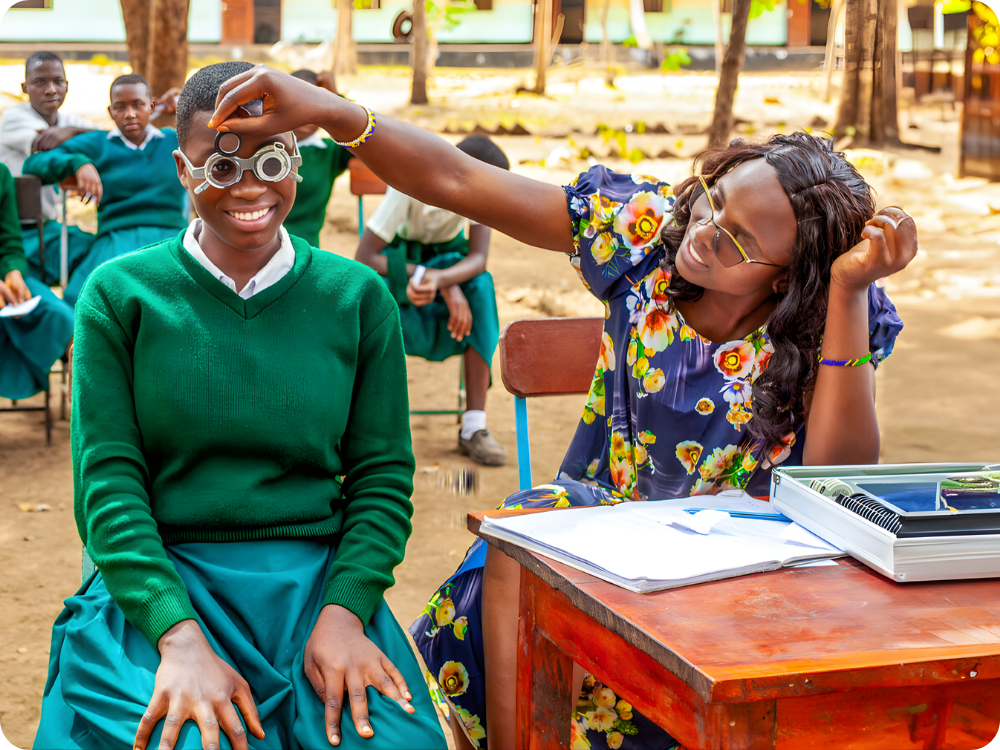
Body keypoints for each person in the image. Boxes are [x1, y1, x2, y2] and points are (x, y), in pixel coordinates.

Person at [195, 65, 918, 750]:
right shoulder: (644, 236)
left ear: (791, 274)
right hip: (600, 529)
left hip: (751, 566)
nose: (703, 231)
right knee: (522, 544)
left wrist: (851, 294)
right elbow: (458, 178)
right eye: (716, 197)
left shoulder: (831, 310)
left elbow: (836, 481)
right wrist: (332, 111)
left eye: (738, 241)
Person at [33, 60, 445, 750]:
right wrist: (178, 636)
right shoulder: (119, 295)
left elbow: (381, 477)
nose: (249, 185)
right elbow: (107, 482)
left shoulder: (356, 299)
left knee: (390, 740)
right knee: (185, 740)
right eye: (220, 166)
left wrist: (345, 612)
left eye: (271, 158)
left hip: (315, 585)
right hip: (163, 580)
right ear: (183, 171)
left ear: (300, 162)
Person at [355, 135, 508, 467]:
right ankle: (370, 426)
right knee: (370, 293)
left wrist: (442, 280)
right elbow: (366, 257)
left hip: (445, 269)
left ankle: (474, 426)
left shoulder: (478, 191)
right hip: (399, 274)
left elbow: (478, 258)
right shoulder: (408, 184)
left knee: (482, 286)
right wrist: (434, 280)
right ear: (459, 171)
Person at [23, 73, 187, 306]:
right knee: (84, 296)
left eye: (138, 105)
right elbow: (33, 164)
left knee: (185, 292)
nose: (129, 113)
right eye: (120, 107)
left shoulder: (175, 140)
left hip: (171, 234)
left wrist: (185, 107)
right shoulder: (99, 143)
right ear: (111, 113)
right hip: (115, 237)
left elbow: (219, 142)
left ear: (151, 107)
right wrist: (79, 164)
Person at [0, 50, 97, 285]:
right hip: (19, 231)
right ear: (25, 88)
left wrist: (70, 131)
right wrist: (74, 141)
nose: (51, 89)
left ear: (67, 85)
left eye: (58, 81)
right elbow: (46, 142)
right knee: (90, 257)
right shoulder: (13, 117)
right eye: (40, 82)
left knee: (99, 247)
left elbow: (107, 138)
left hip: (51, 226)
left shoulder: (67, 123)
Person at [0, 161, 74, 403]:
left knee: (66, 319)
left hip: (4, 278)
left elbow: (10, 241)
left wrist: (13, 273)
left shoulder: (1, 174)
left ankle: (87, 413)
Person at [282, 68, 352, 248]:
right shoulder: (262, 144)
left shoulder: (330, 151)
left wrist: (334, 93)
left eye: (316, 105)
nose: (307, 113)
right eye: (298, 103)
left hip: (306, 250)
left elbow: (358, 134)